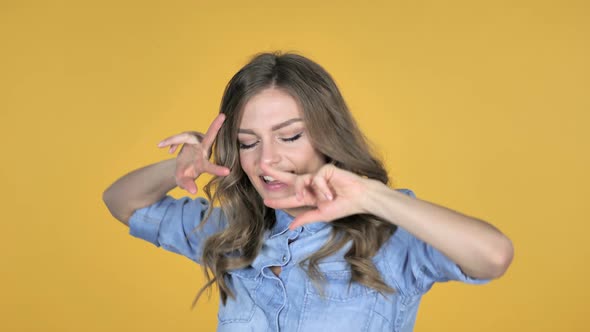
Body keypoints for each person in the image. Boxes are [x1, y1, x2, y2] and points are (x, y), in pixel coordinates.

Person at [102, 52, 514, 332]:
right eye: (248, 142)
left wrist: (372, 197)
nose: (267, 161)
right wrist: (177, 167)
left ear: (326, 134)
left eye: (290, 136)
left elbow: (493, 256)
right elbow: (122, 202)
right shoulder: (233, 231)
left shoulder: (384, 233)